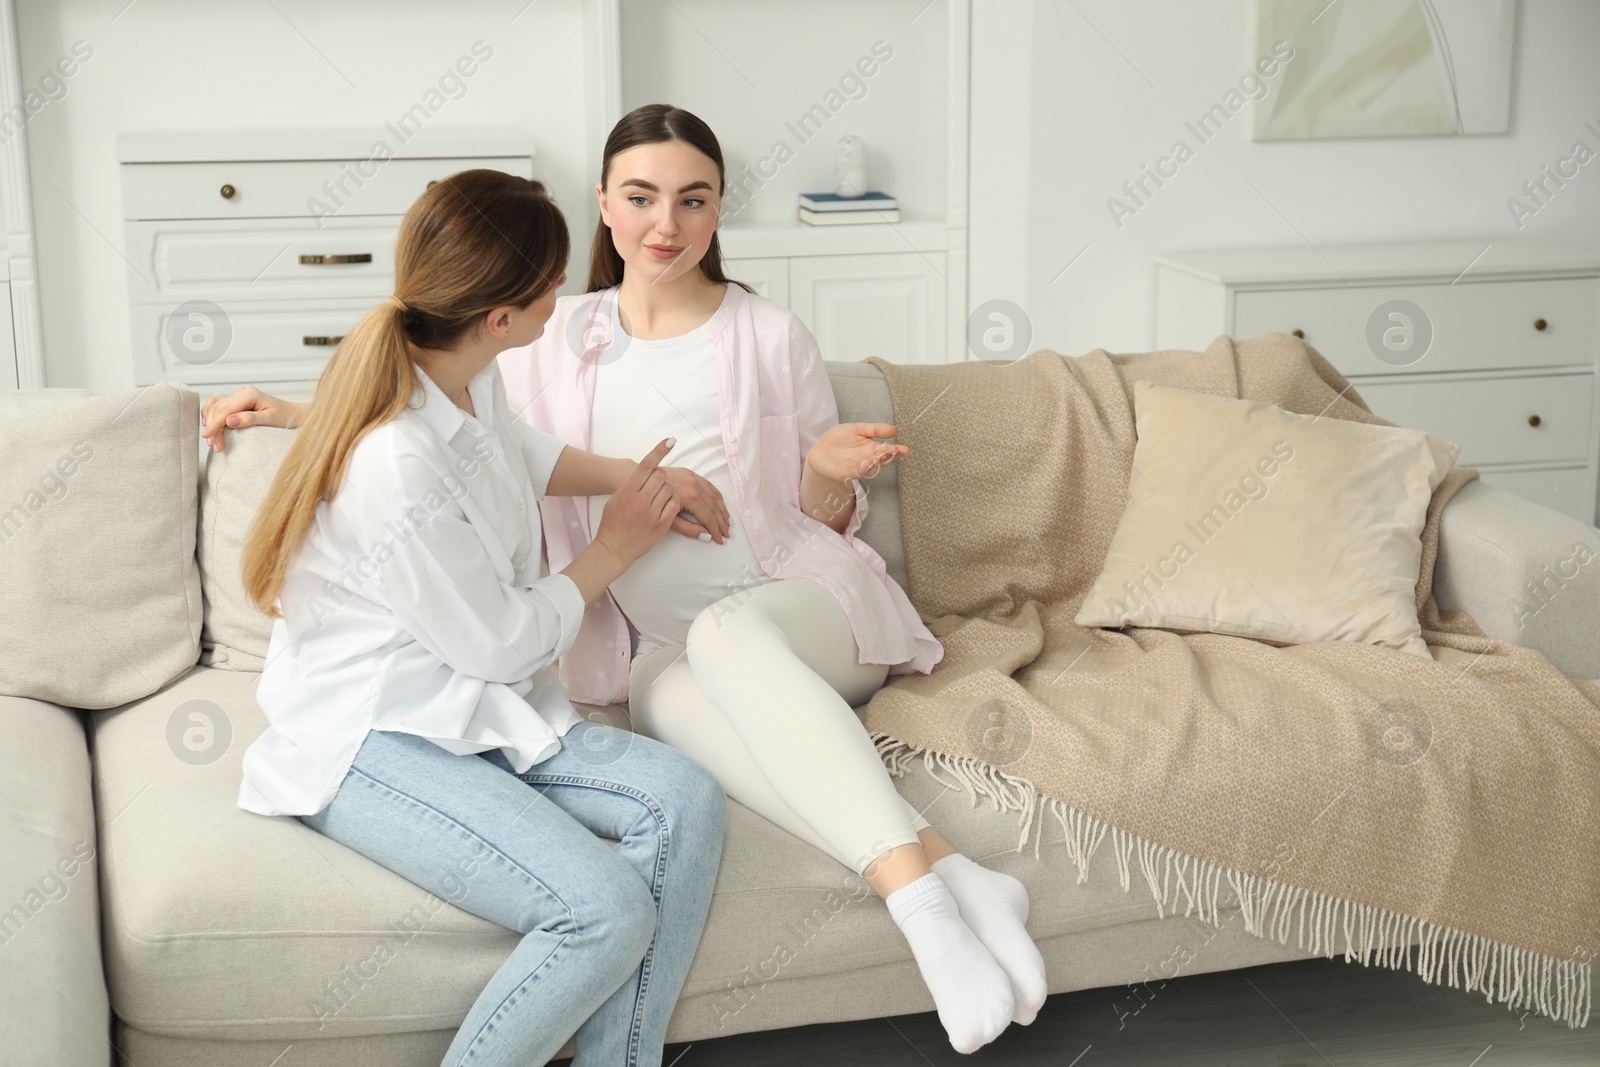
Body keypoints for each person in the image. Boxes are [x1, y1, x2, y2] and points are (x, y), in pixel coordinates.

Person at [206, 108, 1048, 1055]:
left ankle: (926, 904)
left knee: (708, 711)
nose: (665, 225)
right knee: (647, 825)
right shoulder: (525, 358)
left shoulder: (734, 337)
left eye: (695, 200)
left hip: (731, 624)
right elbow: (450, 496)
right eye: (640, 198)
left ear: (721, 208)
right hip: (508, 688)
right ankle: (953, 883)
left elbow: (508, 443)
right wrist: (616, 536)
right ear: (600, 209)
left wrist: (787, 476)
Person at [229, 169, 726, 1067]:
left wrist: (637, 480)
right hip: (375, 737)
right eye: (551, 285)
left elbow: (515, 452)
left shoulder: (466, 376)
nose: (564, 297)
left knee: (685, 797)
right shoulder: (397, 463)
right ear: (501, 316)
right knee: (601, 911)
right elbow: (499, 646)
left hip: (473, 708)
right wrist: (613, 547)